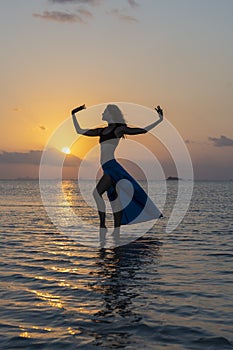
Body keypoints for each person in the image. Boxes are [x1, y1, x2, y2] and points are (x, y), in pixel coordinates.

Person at [72, 104, 163, 236]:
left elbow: (142, 131)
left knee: (96, 193)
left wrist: (159, 120)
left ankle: (103, 226)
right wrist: (73, 114)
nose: (102, 113)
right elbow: (80, 131)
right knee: (115, 199)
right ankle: (116, 232)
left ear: (111, 114)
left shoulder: (119, 129)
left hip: (112, 168)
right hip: (106, 168)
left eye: (104, 111)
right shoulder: (101, 131)